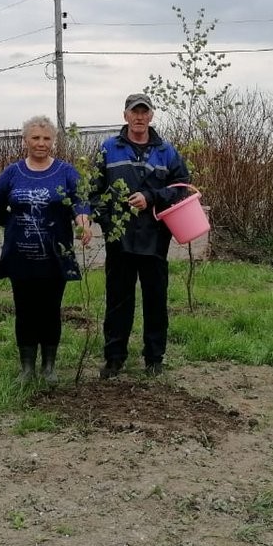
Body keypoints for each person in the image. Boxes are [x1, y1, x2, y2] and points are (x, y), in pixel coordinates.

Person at [0, 116, 93, 384]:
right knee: (24, 310)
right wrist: (10, 223)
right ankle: (26, 368)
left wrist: (82, 222)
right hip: (20, 257)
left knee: (50, 309)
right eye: (35, 138)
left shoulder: (66, 172)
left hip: (55, 256)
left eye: (46, 138)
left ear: (53, 141)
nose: (41, 143)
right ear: (25, 141)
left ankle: (49, 367)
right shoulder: (13, 173)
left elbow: (80, 201)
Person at [91, 93, 191, 378]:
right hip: (119, 239)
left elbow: (181, 187)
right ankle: (114, 357)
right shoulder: (109, 149)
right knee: (118, 300)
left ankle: (154, 358)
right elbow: (93, 191)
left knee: (155, 300)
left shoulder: (166, 152)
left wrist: (151, 196)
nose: (139, 117)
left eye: (144, 112)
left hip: (155, 237)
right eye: (134, 112)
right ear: (125, 116)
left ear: (151, 116)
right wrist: (109, 222)